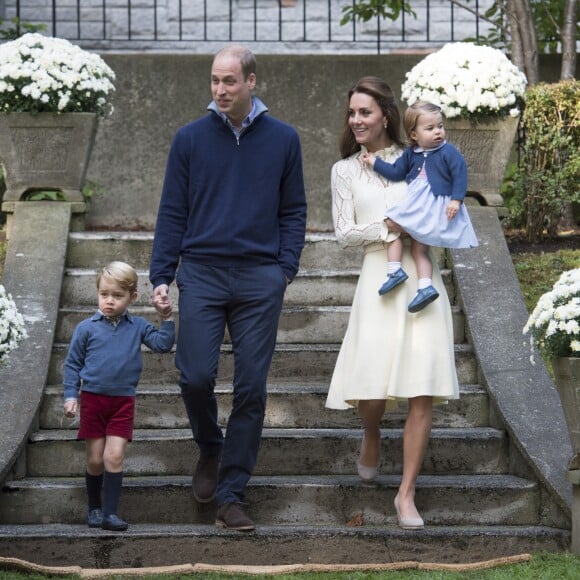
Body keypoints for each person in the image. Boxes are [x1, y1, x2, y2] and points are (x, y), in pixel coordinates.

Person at [149, 45, 307, 532]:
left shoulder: (284, 139)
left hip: (261, 278)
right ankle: (211, 447)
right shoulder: (189, 139)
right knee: (194, 375)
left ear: (251, 82)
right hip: (201, 271)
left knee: (251, 388)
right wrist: (161, 274)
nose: (220, 90)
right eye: (215, 81)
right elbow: (172, 210)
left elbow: (294, 211)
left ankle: (232, 494)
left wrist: (284, 270)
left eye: (230, 81)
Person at [326, 77, 459, 530]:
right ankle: (370, 432)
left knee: (421, 386)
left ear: (386, 114)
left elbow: (442, 209)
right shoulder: (344, 171)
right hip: (377, 279)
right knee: (372, 387)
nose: (357, 120)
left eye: (365, 112)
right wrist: (390, 228)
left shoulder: (419, 158)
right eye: (352, 113)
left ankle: (406, 493)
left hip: (421, 279)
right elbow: (344, 232)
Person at [63, 261, 175, 532]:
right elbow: (72, 364)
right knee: (95, 459)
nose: (109, 301)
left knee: (114, 457)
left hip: (122, 402)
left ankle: (110, 514)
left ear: (132, 297)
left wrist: (167, 318)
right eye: (104, 295)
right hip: (92, 400)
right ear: (98, 293)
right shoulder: (86, 328)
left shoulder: (137, 326)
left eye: (117, 296)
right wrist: (70, 395)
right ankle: (94, 508)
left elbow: (162, 345)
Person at [361, 101, 478, 313]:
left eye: (440, 126)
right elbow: (396, 172)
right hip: (418, 206)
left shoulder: (448, 152)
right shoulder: (411, 154)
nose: (438, 132)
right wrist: (375, 162)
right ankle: (425, 286)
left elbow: (460, 173)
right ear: (414, 135)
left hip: (433, 206)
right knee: (418, 248)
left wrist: (456, 199)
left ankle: (395, 270)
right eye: (430, 128)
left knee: (390, 223)